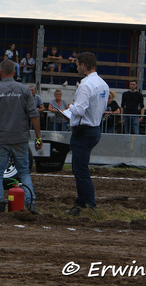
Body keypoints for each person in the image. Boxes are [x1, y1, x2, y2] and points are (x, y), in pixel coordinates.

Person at [0, 60, 42, 215]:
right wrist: (38, 137)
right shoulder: (24, 90)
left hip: (1, 139)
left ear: (0, 72)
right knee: (24, 173)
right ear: (15, 72)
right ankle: (30, 204)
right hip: (20, 138)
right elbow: (33, 115)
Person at [62, 52, 109, 216]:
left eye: (77, 65)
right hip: (94, 128)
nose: (76, 68)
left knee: (80, 170)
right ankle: (84, 202)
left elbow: (80, 110)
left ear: (83, 65)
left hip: (83, 131)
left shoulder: (85, 85)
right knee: (80, 168)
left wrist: (70, 107)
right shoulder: (103, 84)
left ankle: (87, 203)